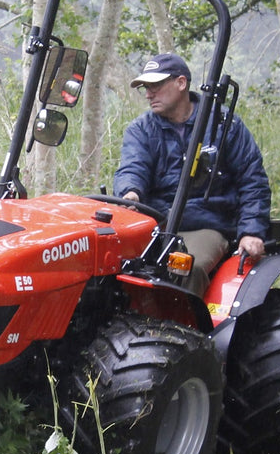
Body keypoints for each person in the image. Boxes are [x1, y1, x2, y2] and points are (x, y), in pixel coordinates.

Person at [112, 53, 271, 295]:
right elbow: (133, 168)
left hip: (206, 224)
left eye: (155, 85)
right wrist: (130, 192)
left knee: (185, 266)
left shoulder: (224, 125)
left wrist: (251, 232)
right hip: (157, 223)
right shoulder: (141, 130)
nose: (148, 94)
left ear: (181, 83)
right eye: (146, 88)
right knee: (109, 262)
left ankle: (180, 331)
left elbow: (252, 181)